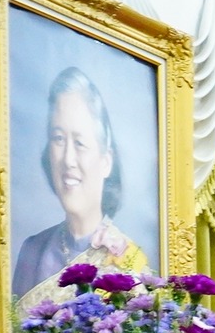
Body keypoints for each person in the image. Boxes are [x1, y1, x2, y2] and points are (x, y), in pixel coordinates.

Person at [13, 67, 150, 311]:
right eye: (58, 139)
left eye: (79, 143)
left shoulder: (129, 259)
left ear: (106, 160)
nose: (67, 159)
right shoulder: (32, 251)